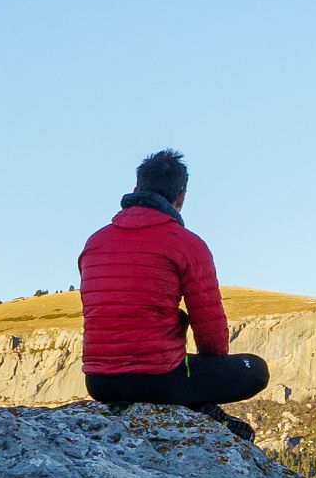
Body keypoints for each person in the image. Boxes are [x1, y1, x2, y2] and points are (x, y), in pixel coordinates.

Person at [80, 149, 270, 438]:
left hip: (99, 382)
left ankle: (198, 404)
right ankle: (202, 410)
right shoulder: (185, 244)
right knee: (254, 370)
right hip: (158, 380)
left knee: (188, 375)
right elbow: (210, 329)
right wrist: (211, 365)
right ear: (180, 196)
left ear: (136, 188)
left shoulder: (95, 242)